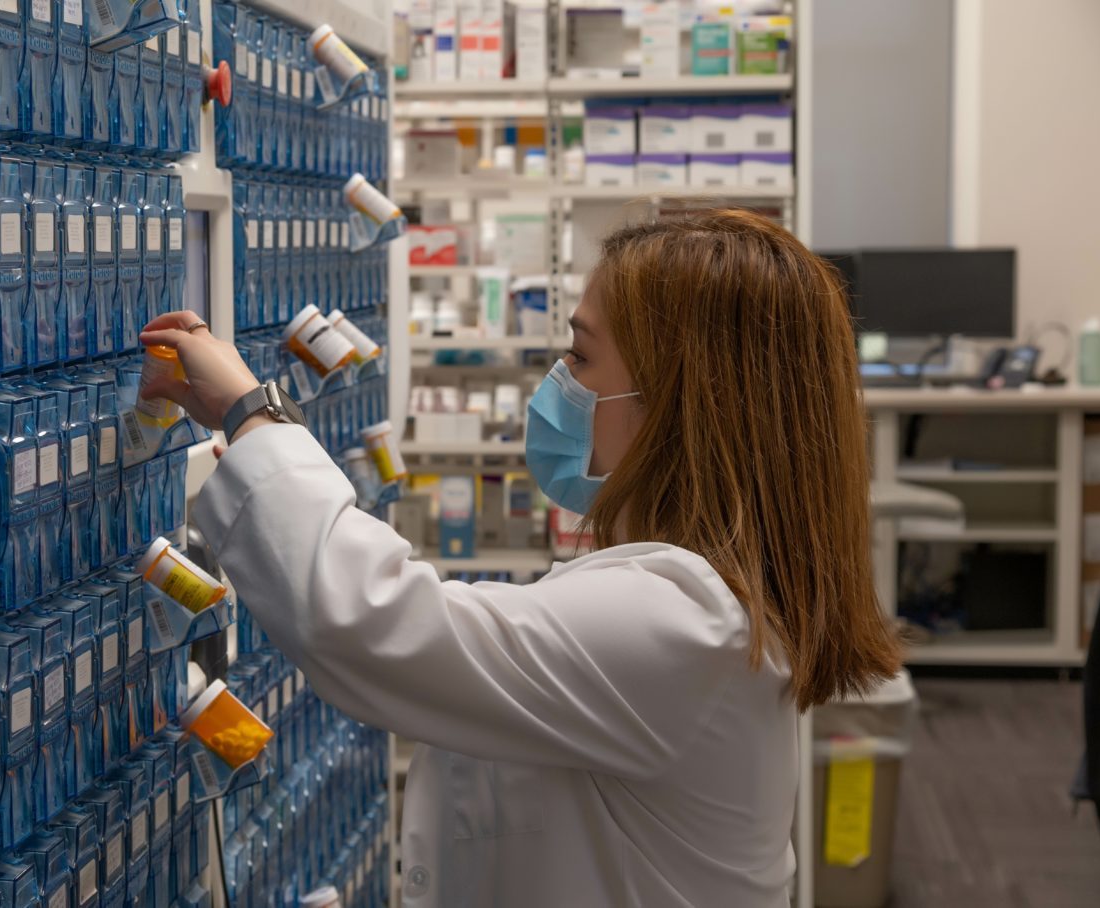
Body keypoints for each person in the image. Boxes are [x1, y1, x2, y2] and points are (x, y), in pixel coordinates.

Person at [139, 209, 903, 907]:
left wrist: (250, 412)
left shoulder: (686, 624)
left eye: (581, 356)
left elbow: (372, 624)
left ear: (674, 399)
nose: (561, 385)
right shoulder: (702, 601)